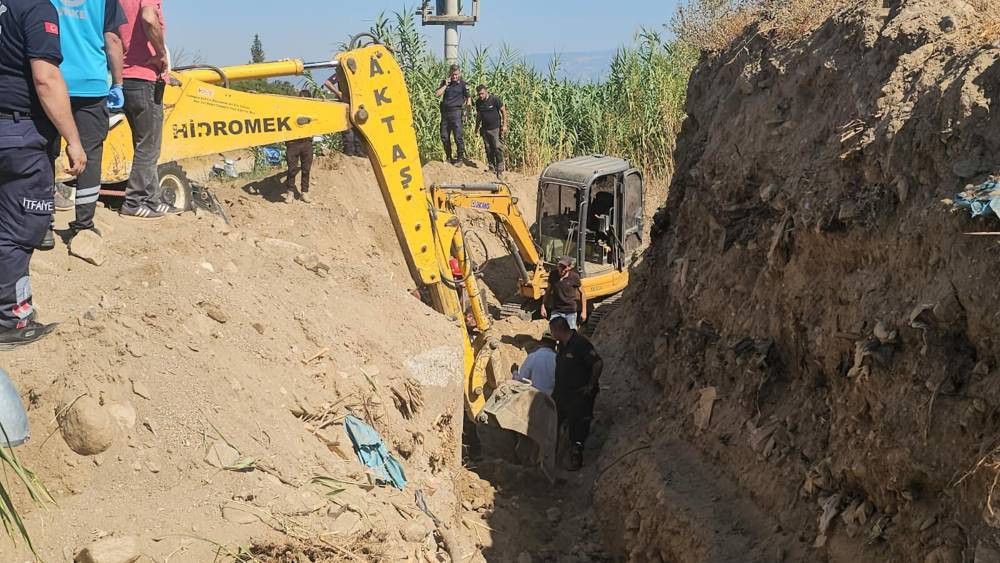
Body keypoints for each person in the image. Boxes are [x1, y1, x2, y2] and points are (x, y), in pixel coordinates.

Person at [0, 0, 87, 348]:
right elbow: (46, 78)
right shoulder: (35, 7)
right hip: (19, 136)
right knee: (18, 231)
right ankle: (12, 320)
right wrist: (73, 140)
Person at [47, 0, 126, 250]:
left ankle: (42, 225)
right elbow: (112, 40)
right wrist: (118, 84)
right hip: (91, 84)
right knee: (90, 153)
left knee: (45, 151)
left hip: (51, 79)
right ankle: (83, 225)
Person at [117, 0, 176, 219]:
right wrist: (161, 53)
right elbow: (149, 18)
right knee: (149, 146)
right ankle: (134, 201)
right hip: (144, 77)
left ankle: (153, 199)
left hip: (124, 77)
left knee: (144, 144)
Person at [550, 316, 603, 471]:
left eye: (552, 331)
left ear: (559, 330)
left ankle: (576, 458)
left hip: (579, 395)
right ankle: (552, 458)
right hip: (562, 394)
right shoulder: (563, 346)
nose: (552, 335)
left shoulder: (580, 344)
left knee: (578, 426)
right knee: (554, 422)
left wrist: (590, 386)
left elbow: (597, 363)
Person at [433, 64, 470, 166]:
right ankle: (449, 157)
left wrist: (467, 112)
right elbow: (437, 94)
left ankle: (460, 158)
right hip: (445, 113)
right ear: (450, 74)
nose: (454, 77)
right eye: (453, 74)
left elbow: (468, 99)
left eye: (456, 74)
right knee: (444, 136)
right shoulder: (445, 83)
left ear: (460, 73)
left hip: (456, 112)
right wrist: (445, 85)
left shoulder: (463, 85)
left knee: (458, 136)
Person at [322, 74, 365, 157]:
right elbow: (327, 83)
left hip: (357, 104)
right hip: (346, 105)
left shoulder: (358, 73)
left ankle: (359, 153)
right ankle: (350, 153)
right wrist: (339, 93)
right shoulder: (341, 74)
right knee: (348, 131)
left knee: (359, 130)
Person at [540, 255, 587, 329]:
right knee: (553, 333)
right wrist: (543, 306)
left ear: (569, 267)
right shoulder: (553, 275)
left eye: (564, 267)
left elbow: (582, 293)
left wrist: (584, 311)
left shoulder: (574, 277)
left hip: (570, 312)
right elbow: (548, 291)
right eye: (560, 266)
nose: (561, 269)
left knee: (571, 334)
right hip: (556, 311)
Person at [284, 89, 314, 203]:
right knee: (292, 169)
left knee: (306, 169)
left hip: (307, 142)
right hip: (294, 143)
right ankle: (290, 192)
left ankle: (304, 192)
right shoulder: (292, 110)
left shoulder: (312, 111)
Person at [473, 84, 507, 178]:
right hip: (485, 129)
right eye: (479, 94)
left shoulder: (495, 100)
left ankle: (499, 169)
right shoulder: (478, 102)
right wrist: (476, 128)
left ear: (486, 91)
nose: (481, 96)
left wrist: (504, 125)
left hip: (495, 128)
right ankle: (491, 167)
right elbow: (479, 116)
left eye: (482, 94)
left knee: (497, 147)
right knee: (488, 149)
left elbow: (503, 111)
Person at [511, 331, 557, 396]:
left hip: (536, 400)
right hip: (554, 401)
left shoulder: (533, 357)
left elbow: (520, 381)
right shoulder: (558, 359)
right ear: (555, 345)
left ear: (541, 343)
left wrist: (514, 372)